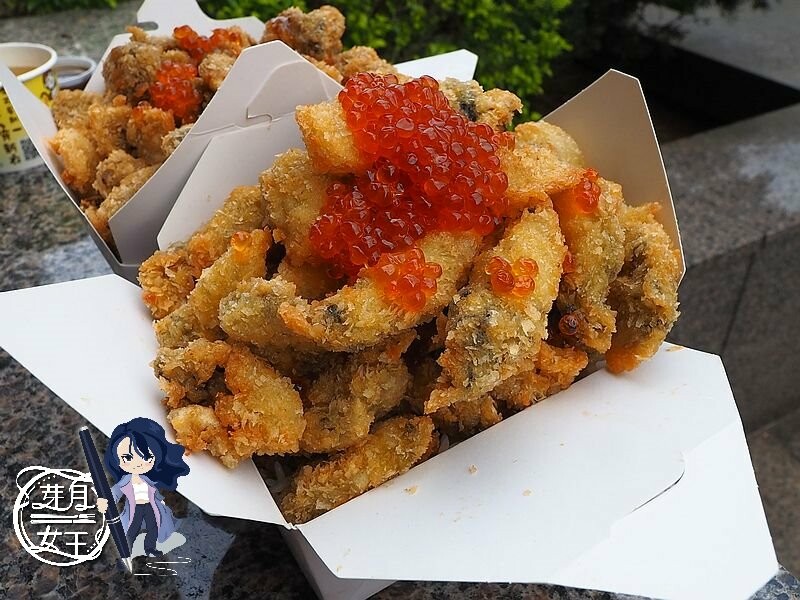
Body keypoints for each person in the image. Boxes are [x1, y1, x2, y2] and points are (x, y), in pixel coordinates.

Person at [96, 418, 190, 558]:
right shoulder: (126, 480)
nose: (138, 463)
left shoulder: (148, 478)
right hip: (136, 507)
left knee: (153, 527)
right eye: (128, 458)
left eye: (145, 457)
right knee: (133, 527)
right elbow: (114, 493)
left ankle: (150, 547)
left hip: (150, 505)